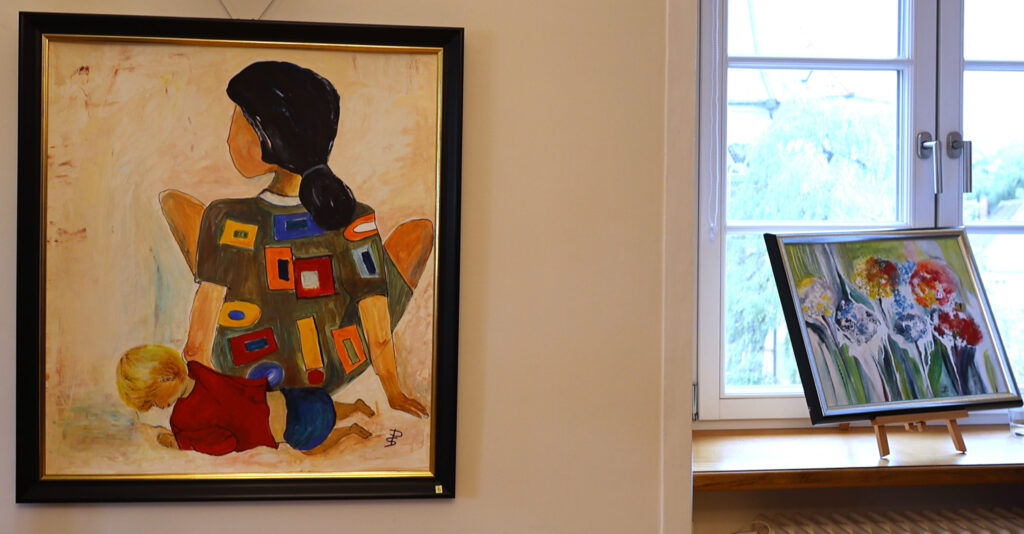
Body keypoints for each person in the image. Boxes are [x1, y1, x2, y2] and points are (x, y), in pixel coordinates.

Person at [165, 61, 428, 418]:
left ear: (268, 138)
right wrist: (394, 392)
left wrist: (219, 402)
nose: (228, 138)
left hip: (246, 373)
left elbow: (196, 349)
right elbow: (377, 328)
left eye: (237, 124)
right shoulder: (355, 216)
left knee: (177, 204)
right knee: (418, 233)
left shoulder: (226, 216)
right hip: (331, 369)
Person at [115, 344, 374, 455]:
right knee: (327, 406)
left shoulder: (183, 420)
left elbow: (225, 444)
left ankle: (349, 431)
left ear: (165, 379)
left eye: (152, 400)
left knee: (313, 449)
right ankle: (355, 407)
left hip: (289, 428)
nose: (156, 407)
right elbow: (232, 389)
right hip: (286, 398)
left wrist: (182, 443)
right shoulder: (197, 370)